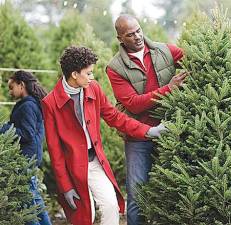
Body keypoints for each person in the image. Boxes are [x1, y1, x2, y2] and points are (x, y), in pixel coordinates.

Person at [41, 46, 166, 225]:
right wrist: (65, 186)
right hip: (72, 169)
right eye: (89, 73)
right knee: (85, 217)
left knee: (111, 206)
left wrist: (148, 131)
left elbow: (115, 117)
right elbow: (55, 150)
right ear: (75, 74)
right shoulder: (50, 103)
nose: (92, 78)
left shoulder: (94, 89)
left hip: (94, 162)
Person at [106, 14, 187, 225]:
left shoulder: (165, 51)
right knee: (137, 193)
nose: (137, 37)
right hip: (138, 137)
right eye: (130, 34)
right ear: (120, 38)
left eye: (138, 30)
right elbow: (133, 103)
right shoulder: (115, 67)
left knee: (176, 190)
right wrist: (170, 88)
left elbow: (197, 59)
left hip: (171, 132)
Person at [0, 70, 52, 225]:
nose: (9, 91)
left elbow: (27, 134)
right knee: (34, 199)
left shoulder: (28, 106)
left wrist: (5, 129)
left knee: (27, 203)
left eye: (11, 87)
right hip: (30, 158)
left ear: (21, 85)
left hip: (25, 160)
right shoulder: (31, 104)